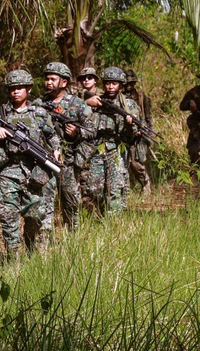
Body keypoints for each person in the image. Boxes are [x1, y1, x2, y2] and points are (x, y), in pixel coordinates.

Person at [0, 70, 61, 257]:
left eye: (20, 88)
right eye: (12, 88)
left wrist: (57, 150)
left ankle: (30, 247)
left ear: (28, 89)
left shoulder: (40, 114)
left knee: (35, 217)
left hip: (34, 172)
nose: (16, 92)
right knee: (7, 216)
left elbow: (52, 136)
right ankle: (14, 259)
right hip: (9, 171)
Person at [34, 62, 97, 231]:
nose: (48, 82)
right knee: (42, 205)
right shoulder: (38, 104)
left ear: (64, 82)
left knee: (70, 204)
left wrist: (77, 133)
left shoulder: (77, 104)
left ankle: (73, 239)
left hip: (67, 163)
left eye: (53, 79)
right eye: (46, 79)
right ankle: (43, 242)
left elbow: (93, 130)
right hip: (43, 161)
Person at [83, 67, 140, 214]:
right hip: (97, 148)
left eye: (114, 83)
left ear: (120, 85)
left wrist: (130, 124)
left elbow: (135, 133)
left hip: (117, 148)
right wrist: (88, 103)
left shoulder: (128, 104)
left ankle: (115, 222)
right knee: (93, 189)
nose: (111, 86)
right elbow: (78, 109)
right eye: (108, 83)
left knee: (115, 188)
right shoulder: (97, 101)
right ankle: (103, 211)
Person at [123, 69, 152, 193]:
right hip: (124, 133)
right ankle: (125, 190)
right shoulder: (121, 97)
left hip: (139, 134)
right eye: (126, 83)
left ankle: (145, 183)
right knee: (124, 162)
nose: (128, 85)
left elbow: (148, 117)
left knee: (136, 162)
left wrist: (147, 133)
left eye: (131, 83)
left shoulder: (142, 97)